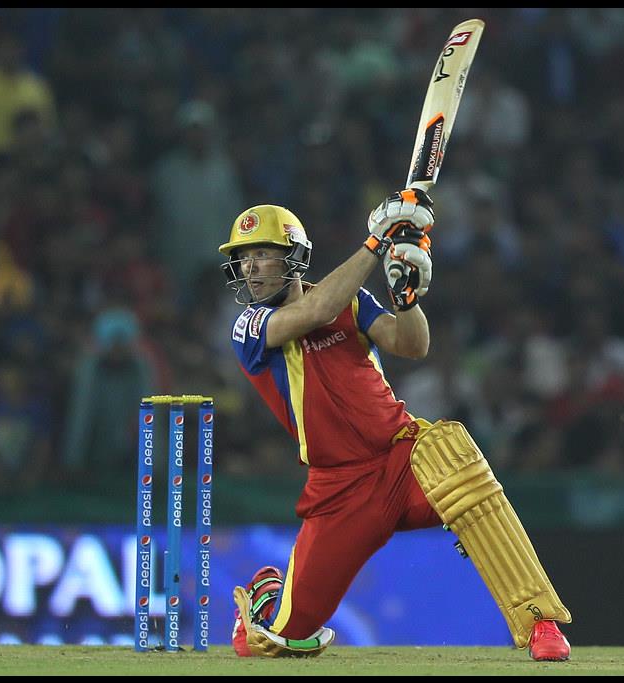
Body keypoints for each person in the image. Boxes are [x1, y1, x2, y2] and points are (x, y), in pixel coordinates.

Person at [219, 191, 572, 661]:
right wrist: (376, 242)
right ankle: (267, 598)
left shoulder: (352, 302)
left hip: (403, 459)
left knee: (461, 467)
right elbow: (313, 312)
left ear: (294, 257)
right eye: (243, 258)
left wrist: (406, 300)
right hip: (339, 489)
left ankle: (540, 623)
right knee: (279, 640)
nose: (250, 268)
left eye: (262, 253)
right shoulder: (249, 326)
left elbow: (412, 345)